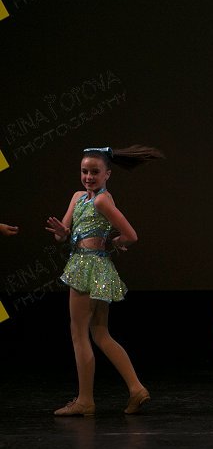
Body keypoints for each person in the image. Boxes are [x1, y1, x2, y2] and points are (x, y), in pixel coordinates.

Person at [45, 145, 164, 416]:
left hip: (87, 267)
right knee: (100, 333)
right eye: (84, 171)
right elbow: (61, 236)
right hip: (94, 267)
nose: (88, 177)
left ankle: (85, 400)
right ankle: (136, 388)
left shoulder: (102, 201)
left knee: (79, 334)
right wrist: (62, 231)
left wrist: (117, 241)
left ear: (107, 174)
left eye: (95, 172)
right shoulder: (78, 197)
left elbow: (131, 235)